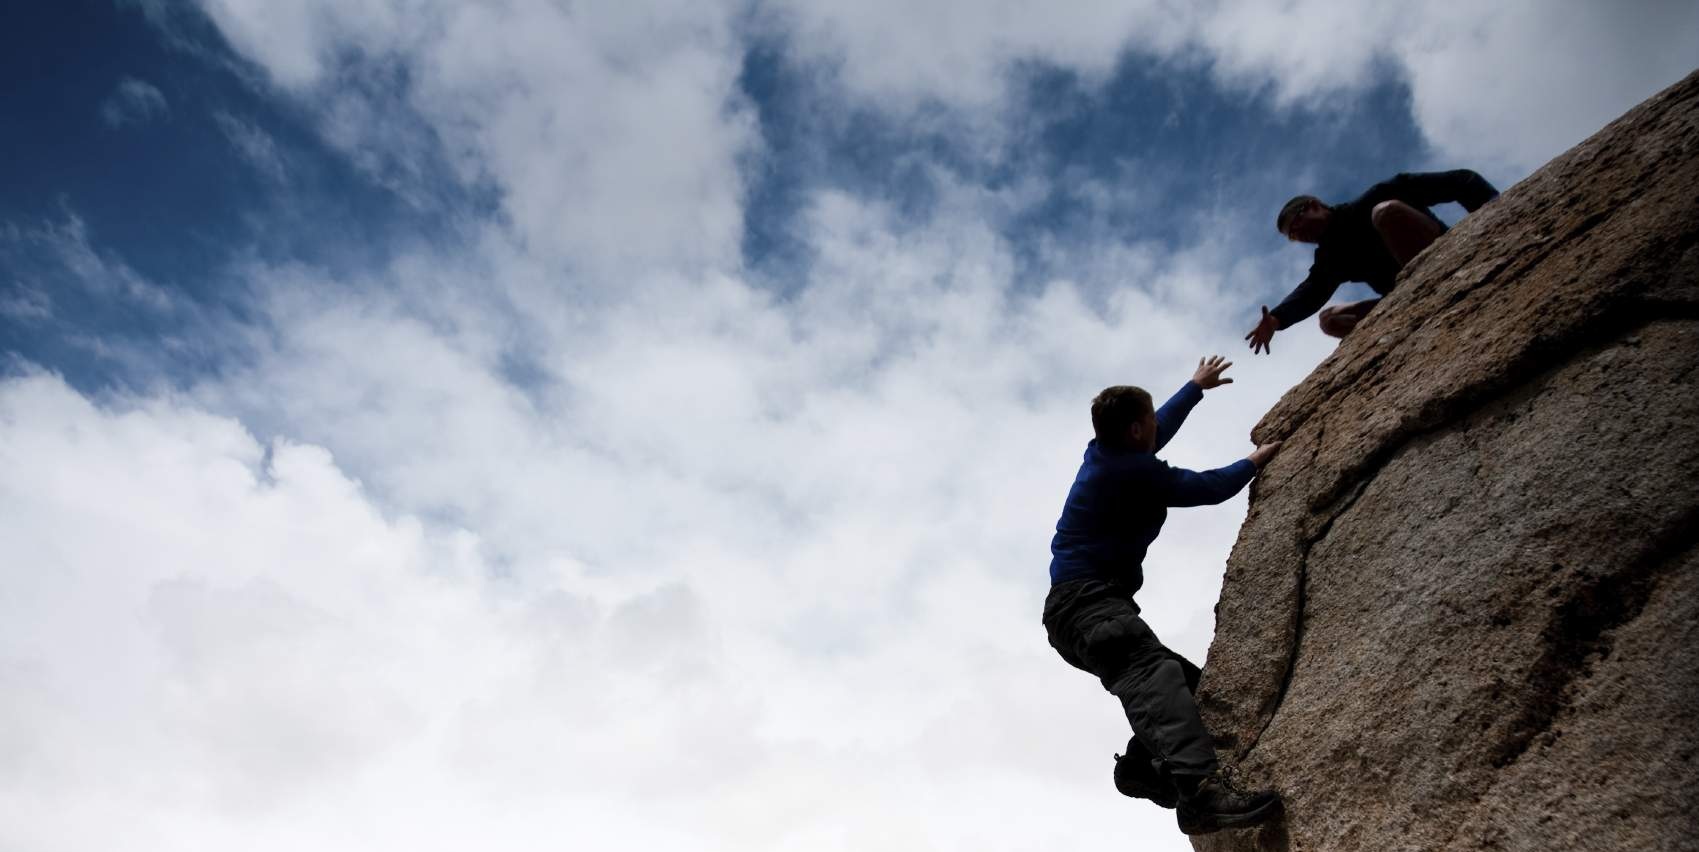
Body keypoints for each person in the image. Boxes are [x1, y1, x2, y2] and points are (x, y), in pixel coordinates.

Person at [1043, 355, 1284, 836]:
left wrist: (1195, 387)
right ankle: (1200, 794)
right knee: (1151, 672)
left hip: (1086, 609)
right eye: (1148, 419)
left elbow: (1158, 430)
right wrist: (1255, 462)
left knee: (1193, 689)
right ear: (1135, 430)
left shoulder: (1113, 453)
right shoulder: (1128, 473)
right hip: (1086, 606)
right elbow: (1207, 487)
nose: (1156, 425)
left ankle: (1143, 768)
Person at [1246, 170, 1500, 354]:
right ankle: (1399, 342)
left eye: (1296, 225)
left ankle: (1430, 280)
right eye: (1292, 236)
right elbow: (1311, 291)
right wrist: (1277, 319)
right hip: (1406, 295)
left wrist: (1495, 211)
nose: (1298, 235)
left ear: (1313, 205)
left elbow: (1461, 181)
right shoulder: (1330, 256)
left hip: (1446, 256)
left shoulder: (1378, 196)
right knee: (1331, 319)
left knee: (1385, 211)